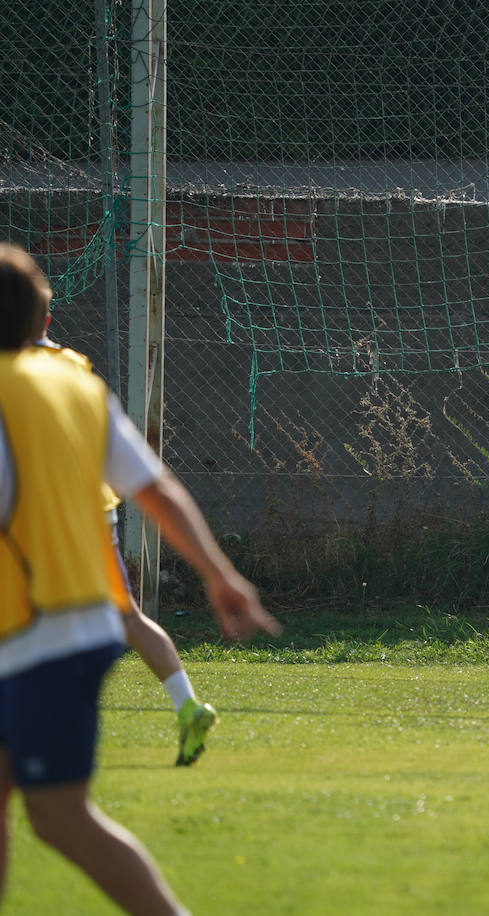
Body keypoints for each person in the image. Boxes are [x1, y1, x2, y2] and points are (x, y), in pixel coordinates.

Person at [0, 243, 280, 914]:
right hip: (80, 622)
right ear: (40, 314)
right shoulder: (78, 384)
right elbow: (156, 489)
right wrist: (220, 573)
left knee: (60, 819)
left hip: (34, 636)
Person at [36, 326, 219, 766]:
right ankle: (188, 704)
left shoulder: (18, 372)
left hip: (42, 515)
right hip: (96, 510)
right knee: (127, 617)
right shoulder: (75, 366)